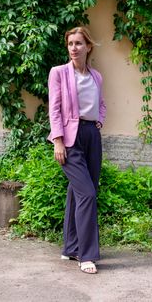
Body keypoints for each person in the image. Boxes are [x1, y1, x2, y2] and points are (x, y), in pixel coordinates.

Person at [47, 26, 106, 274]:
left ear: (88, 47)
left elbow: (100, 104)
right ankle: (86, 255)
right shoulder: (59, 73)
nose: (74, 48)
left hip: (92, 135)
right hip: (70, 138)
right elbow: (55, 108)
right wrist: (58, 140)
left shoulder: (96, 76)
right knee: (87, 194)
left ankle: (70, 247)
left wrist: (99, 121)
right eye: (70, 43)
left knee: (77, 192)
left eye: (79, 43)